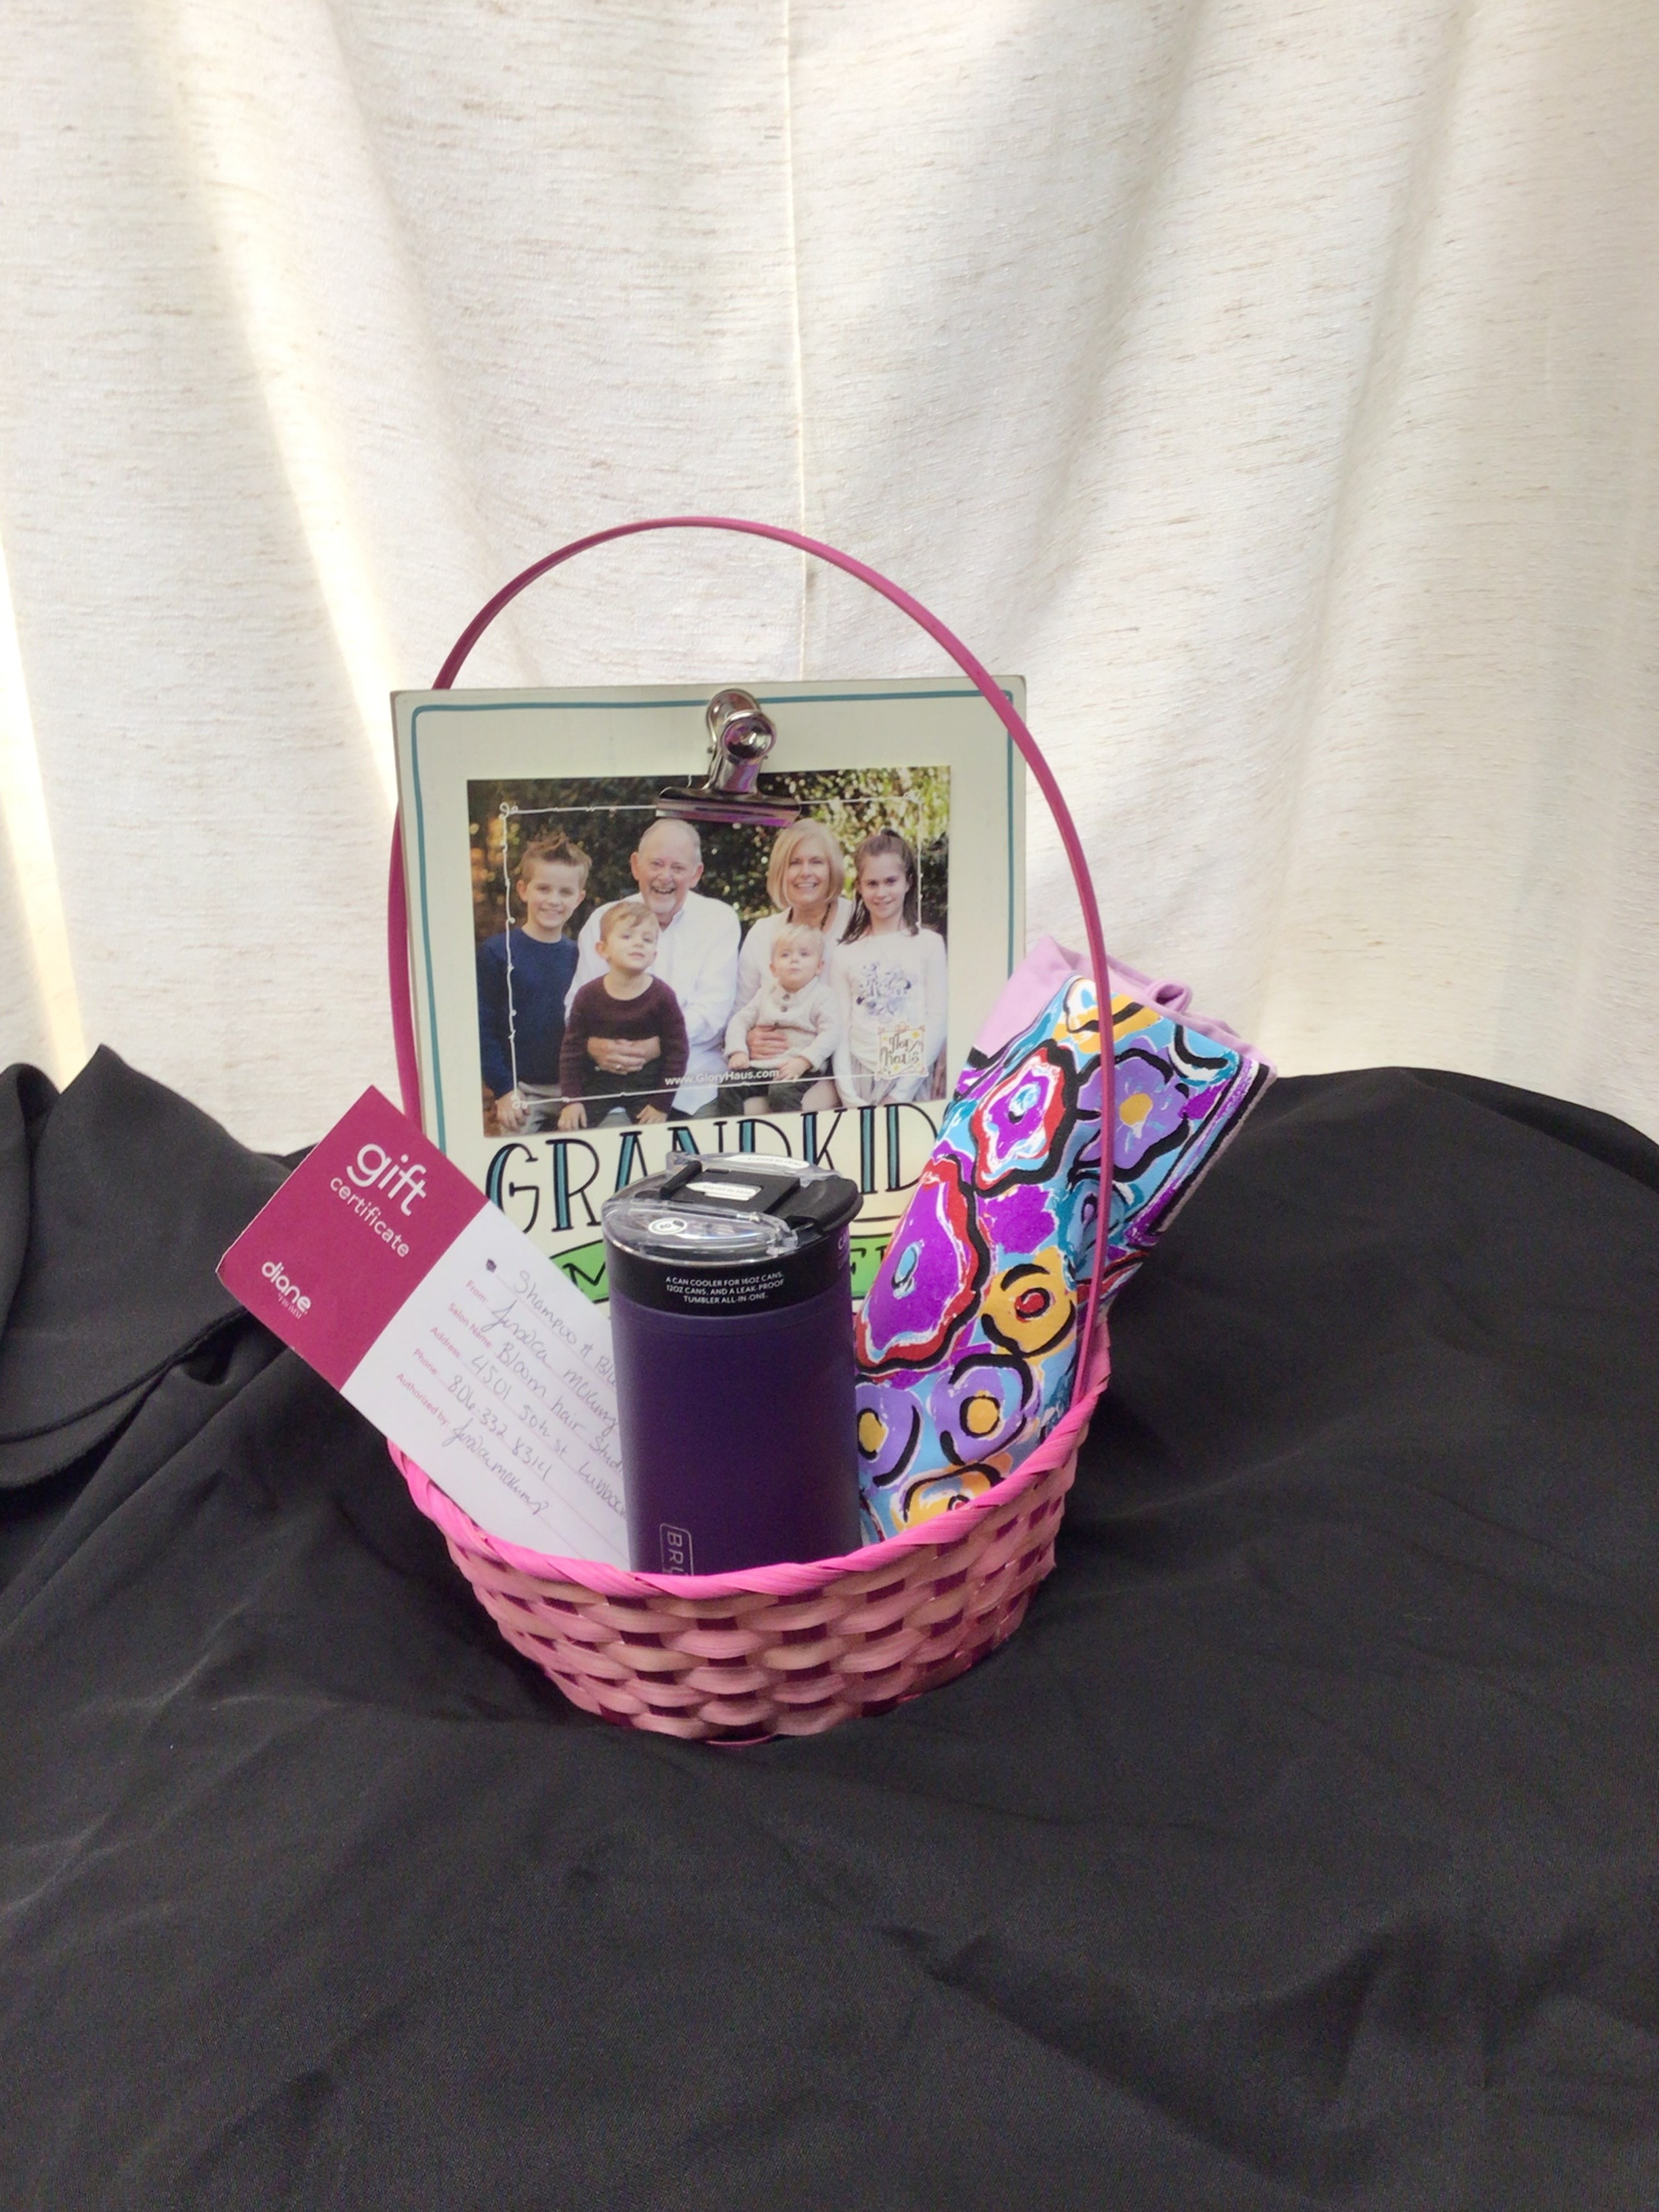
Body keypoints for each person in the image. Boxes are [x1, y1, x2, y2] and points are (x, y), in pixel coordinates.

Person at [567, 817, 738, 1113]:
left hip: (692, 1078)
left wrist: (659, 1044)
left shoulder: (718, 920)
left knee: (699, 1147)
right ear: (636, 866)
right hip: (613, 1078)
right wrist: (593, 1045)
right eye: (656, 864)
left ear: (696, 874)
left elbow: (713, 1010)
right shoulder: (605, 921)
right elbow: (577, 1006)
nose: (665, 877)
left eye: (678, 868)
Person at [475, 834, 589, 1134]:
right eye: (543, 889)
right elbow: (482, 1026)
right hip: (521, 1091)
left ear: (579, 898)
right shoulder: (497, 952)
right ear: (524, 891)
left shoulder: (582, 956)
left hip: (575, 1091)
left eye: (565, 892)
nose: (553, 900)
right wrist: (503, 1090)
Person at [830, 829, 949, 1106]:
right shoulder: (844, 953)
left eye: (890, 881)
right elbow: (841, 1029)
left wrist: (901, 1093)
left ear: (908, 882)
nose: (881, 893)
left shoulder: (929, 945)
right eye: (872, 884)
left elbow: (936, 1019)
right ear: (859, 886)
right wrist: (849, 1096)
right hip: (861, 1079)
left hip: (914, 1080)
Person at [557, 902, 688, 1128]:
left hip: (648, 1088)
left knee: (658, 1141)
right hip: (599, 1085)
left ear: (654, 954)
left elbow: (678, 1053)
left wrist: (661, 1104)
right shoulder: (587, 996)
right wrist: (572, 1100)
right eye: (627, 936)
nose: (638, 943)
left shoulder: (663, 997)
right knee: (571, 1131)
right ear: (603, 949)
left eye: (647, 940)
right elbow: (571, 1052)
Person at [720, 922, 841, 1115]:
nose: (794, 960)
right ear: (773, 968)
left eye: (804, 954)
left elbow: (831, 1033)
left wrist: (804, 1061)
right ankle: (732, 1137)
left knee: (782, 1092)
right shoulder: (766, 993)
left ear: (819, 967)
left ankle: (792, 1138)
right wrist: (738, 1051)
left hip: (800, 1067)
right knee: (729, 1086)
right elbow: (740, 1021)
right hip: (760, 1067)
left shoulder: (822, 996)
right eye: (785, 955)